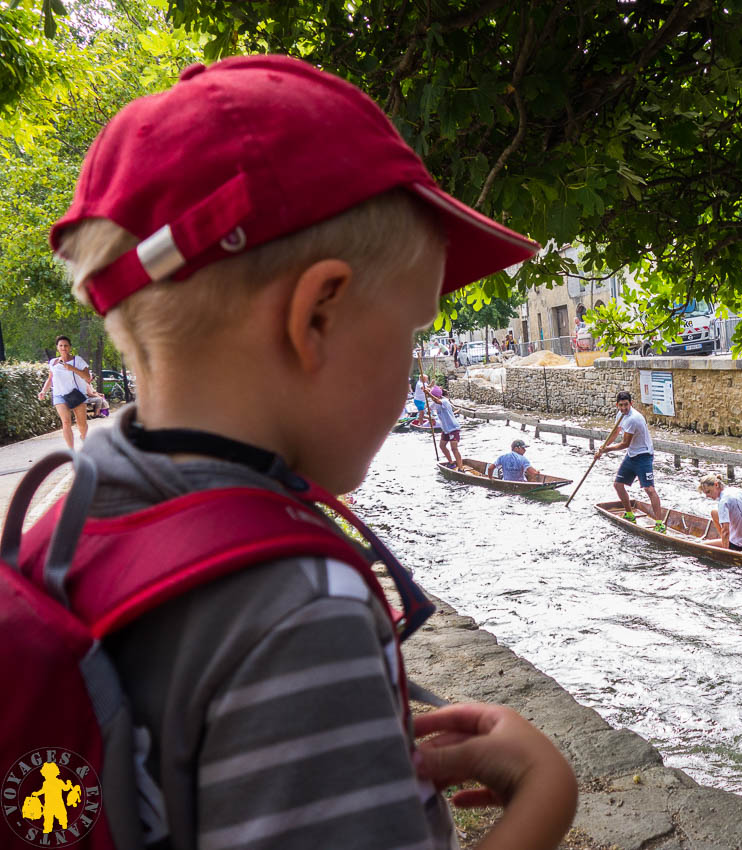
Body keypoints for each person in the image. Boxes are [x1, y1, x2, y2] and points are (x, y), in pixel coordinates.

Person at [51, 55, 575, 850]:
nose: (414, 364)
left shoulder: (71, 515)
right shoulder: (297, 609)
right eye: (414, 332)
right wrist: (544, 796)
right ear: (318, 316)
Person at [596, 390, 662, 522]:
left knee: (649, 489)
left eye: (626, 405)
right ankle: (629, 514)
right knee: (618, 485)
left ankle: (660, 523)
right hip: (632, 455)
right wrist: (602, 447)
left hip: (644, 455)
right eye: (621, 405)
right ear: (617, 405)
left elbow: (625, 443)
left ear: (631, 403)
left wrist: (607, 450)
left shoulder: (634, 419)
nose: (624, 408)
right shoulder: (620, 415)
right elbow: (615, 433)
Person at [37, 335, 93, 449]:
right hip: (59, 395)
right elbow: (50, 378)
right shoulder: (53, 362)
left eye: (66, 345)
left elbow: (87, 377)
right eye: (61, 345)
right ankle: (71, 453)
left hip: (76, 394)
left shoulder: (78, 360)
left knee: (81, 424)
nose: (63, 348)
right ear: (57, 347)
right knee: (66, 423)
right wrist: (43, 390)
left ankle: (84, 438)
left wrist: (72, 368)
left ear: (70, 347)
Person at [698, 473, 742, 553]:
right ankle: (725, 540)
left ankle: (726, 543)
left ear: (716, 485)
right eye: (705, 493)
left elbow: (725, 531)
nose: (707, 496)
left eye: (708, 492)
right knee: (714, 513)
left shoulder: (723, 502)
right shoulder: (735, 490)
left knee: (701, 545)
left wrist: (726, 553)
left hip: (741, 546)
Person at [429, 385, 463, 465]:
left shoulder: (444, 401)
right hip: (445, 429)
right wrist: (431, 418)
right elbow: (428, 408)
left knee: (454, 448)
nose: (432, 399)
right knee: (442, 446)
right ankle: (451, 462)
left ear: (438, 396)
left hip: (453, 428)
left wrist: (427, 392)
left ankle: (460, 467)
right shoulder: (434, 402)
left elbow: (437, 401)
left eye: (433, 397)